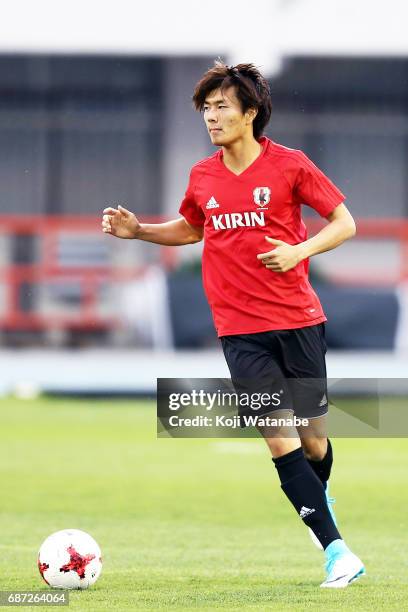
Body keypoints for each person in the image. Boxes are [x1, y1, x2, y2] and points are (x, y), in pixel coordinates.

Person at [101, 61, 365, 588]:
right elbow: (191, 228)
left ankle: (318, 503)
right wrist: (139, 233)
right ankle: (338, 551)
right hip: (239, 331)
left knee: (314, 440)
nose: (211, 116)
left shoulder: (290, 166)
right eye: (206, 107)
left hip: (298, 320)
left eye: (221, 106)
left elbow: (345, 222)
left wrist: (299, 252)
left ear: (251, 113)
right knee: (276, 434)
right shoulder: (203, 175)